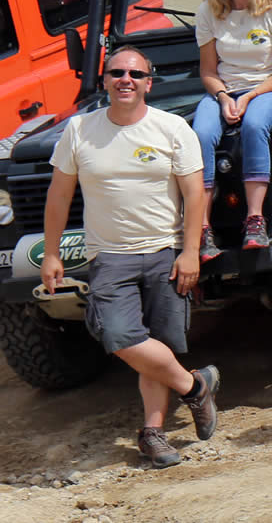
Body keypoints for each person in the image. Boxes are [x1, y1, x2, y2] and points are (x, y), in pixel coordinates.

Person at [41, 46, 221, 468]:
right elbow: (60, 194)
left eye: (135, 74)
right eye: (117, 72)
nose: (126, 79)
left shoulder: (173, 128)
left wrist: (191, 251)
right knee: (122, 337)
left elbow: (195, 194)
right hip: (110, 257)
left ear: (148, 83)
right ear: (104, 80)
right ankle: (196, 388)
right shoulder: (80, 130)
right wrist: (51, 253)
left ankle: (153, 434)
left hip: (165, 252)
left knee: (159, 344)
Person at [191, 0, 272, 260]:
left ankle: (255, 220)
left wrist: (251, 95)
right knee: (200, 133)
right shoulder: (209, 11)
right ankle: (202, 227)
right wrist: (224, 97)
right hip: (226, 90)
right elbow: (208, 71)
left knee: (253, 124)